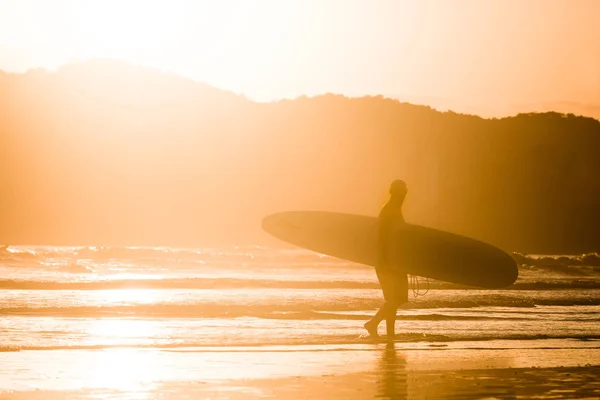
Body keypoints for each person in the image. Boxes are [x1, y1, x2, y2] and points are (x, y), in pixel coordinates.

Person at [364, 179, 409, 337]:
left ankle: (390, 333)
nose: (404, 195)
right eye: (401, 192)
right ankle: (373, 323)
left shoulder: (395, 209)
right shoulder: (389, 210)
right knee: (395, 299)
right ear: (395, 193)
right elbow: (381, 238)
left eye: (405, 192)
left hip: (395, 261)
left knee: (394, 300)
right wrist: (382, 261)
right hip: (388, 262)